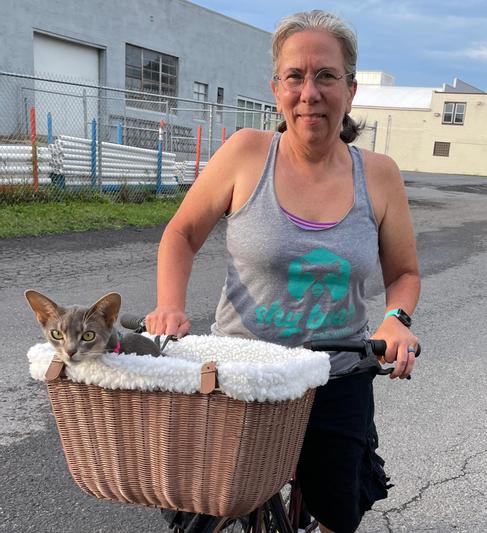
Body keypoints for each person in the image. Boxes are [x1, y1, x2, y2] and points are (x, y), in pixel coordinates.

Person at [146, 9, 420, 533]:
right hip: (242, 376)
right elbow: (181, 234)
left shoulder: (380, 176)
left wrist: (395, 318)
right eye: (295, 76)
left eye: (326, 76)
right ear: (276, 88)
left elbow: (404, 271)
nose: (309, 92)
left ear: (351, 88)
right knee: (207, 508)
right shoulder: (246, 153)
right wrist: (169, 304)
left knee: (338, 512)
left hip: (335, 374)